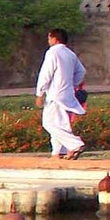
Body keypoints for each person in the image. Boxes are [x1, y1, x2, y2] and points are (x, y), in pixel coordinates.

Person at [34, 27, 85, 159]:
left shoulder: (53, 52)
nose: (48, 40)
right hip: (67, 93)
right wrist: (72, 84)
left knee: (49, 123)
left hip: (55, 94)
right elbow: (81, 71)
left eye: (49, 38)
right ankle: (58, 152)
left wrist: (40, 93)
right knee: (60, 123)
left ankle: (75, 144)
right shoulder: (70, 54)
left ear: (55, 39)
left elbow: (46, 74)